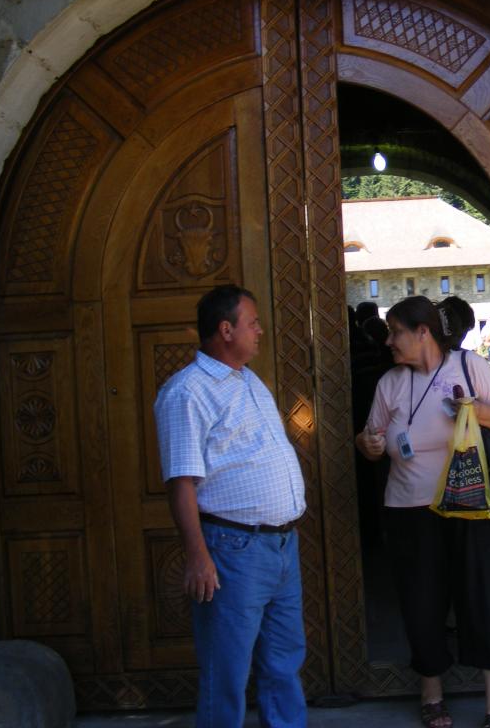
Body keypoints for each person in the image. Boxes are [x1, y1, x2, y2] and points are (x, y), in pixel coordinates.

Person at [356, 296, 490, 728]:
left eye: (396, 332)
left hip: (471, 506)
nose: (389, 341)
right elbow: (370, 439)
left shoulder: (469, 366)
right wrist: (369, 445)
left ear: (423, 332)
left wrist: (474, 410)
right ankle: (431, 694)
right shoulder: (390, 383)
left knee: (483, 597)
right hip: (409, 510)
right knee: (422, 601)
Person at [154, 284, 307, 728]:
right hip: (233, 549)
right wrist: (197, 556)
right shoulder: (187, 392)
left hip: (281, 547)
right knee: (227, 671)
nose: (259, 331)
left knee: (283, 661)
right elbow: (181, 482)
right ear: (226, 330)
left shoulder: (249, 380)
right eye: (252, 323)